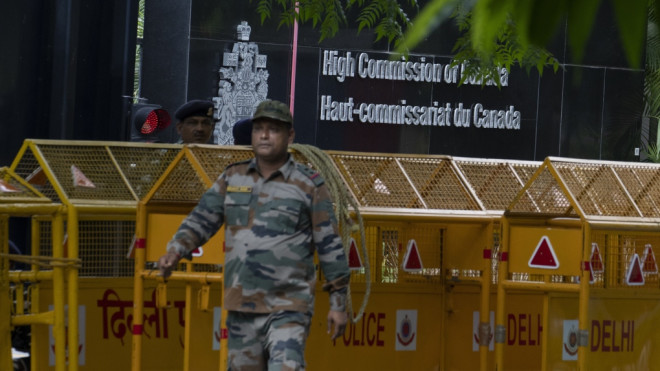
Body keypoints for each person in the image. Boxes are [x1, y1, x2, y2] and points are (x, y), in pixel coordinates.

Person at [158, 99, 350, 370]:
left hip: (288, 306)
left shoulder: (309, 184)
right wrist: (174, 251)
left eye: (274, 129)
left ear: (290, 136)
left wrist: (338, 304)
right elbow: (201, 220)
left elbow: (329, 245)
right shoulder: (233, 178)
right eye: (259, 128)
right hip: (242, 306)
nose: (265, 135)